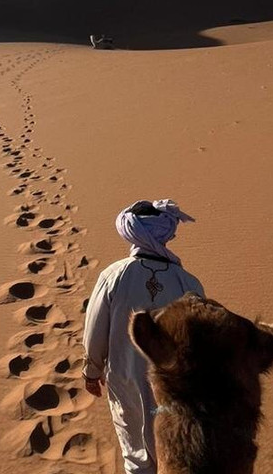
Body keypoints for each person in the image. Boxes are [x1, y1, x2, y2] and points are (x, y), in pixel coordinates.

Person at [82, 199, 205, 474]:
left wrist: (91, 371)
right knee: (172, 452)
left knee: (135, 453)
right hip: (175, 388)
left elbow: (94, 328)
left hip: (126, 377)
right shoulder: (188, 283)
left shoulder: (114, 275)